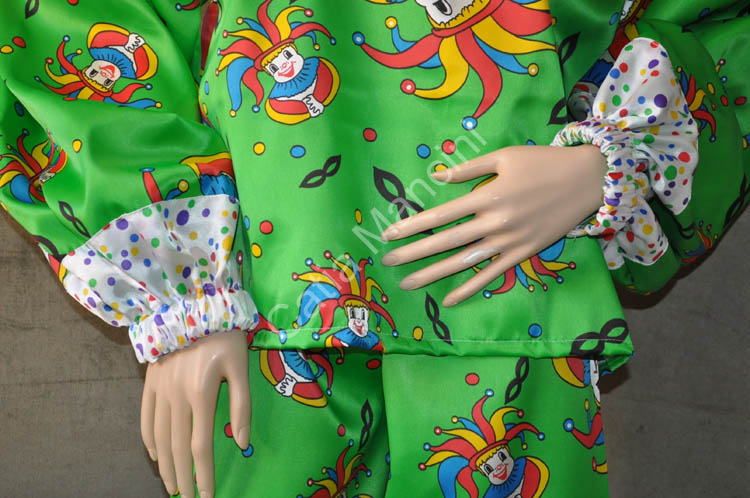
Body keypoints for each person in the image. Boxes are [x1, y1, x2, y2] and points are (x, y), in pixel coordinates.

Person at [0, 1, 747, 497]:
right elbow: (72, 26)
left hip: (518, 306)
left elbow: (722, 27)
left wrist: (610, 160)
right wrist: (181, 286)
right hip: (269, 306)